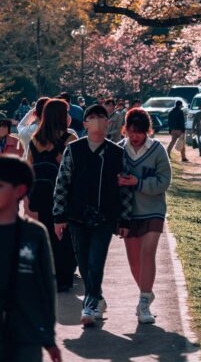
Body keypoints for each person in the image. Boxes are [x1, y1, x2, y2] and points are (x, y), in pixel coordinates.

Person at [53, 104, 132, 327]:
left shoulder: (117, 153)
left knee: (96, 260)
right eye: (92, 117)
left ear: (108, 122)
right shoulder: (74, 150)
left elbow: (124, 189)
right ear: (85, 123)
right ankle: (96, 296)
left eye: (101, 117)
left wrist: (124, 219)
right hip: (77, 216)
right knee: (83, 261)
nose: (97, 120)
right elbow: (62, 184)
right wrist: (59, 216)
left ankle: (89, 304)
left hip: (105, 217)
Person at [0, 155, 61, 362]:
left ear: (20, 190)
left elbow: (46, 286)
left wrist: (49, 338)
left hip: (27, 336)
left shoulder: (34, 234)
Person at [117, 108, 171, 324]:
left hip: (153, 210)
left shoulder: (157, 150)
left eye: (139, 132)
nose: (135, 136)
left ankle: (143, 303)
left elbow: (164, 181)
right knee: (134, 261)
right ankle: (146, 292)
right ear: (125, 130)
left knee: (148, 254)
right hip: (129, 213)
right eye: (131, 132)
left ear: (147, 130)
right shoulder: (120, 150)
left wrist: (138, 183)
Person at [27, 99, 77, 292]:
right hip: (62, 195)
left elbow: (29, 167)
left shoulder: (35, 139)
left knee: (46, 233)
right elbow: (75, 170)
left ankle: (47, 274)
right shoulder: (69, 139)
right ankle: (64, 276)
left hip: (39, 194)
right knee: (64, 235)